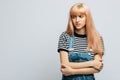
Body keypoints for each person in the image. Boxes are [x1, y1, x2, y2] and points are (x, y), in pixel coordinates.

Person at [57, 3, 104, 80]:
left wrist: (72, 71)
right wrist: (91, 63)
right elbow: (65, 64)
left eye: (81, 16)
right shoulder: (65, 37)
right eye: (74, 17)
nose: (77, 20)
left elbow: (97, 68)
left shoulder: (97, 39)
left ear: (87, 18)